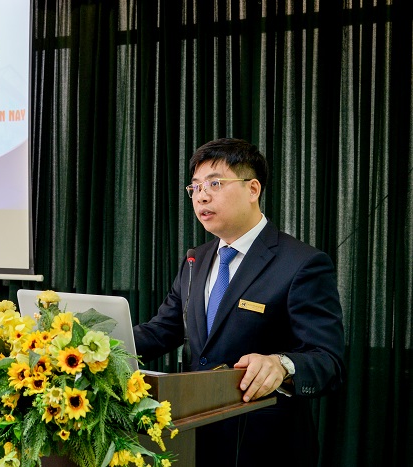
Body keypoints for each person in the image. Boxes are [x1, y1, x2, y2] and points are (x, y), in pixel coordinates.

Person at [133, 138, 345, 467]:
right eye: (195, 187)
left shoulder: (302, 263)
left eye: (215, 184)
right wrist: (97, 345)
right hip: (192, 437)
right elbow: (163, 330)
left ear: (253, 189)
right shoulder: (196, 259)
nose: (201, 196)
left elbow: (328, 361)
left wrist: (282, 364)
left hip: (265, 446)